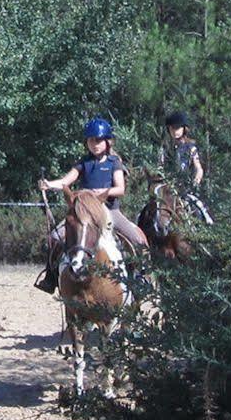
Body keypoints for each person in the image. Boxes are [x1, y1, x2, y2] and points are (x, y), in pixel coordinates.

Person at [33, 117, 148, 291]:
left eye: (99, 140)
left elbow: (120, 189)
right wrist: (49, 184)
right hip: (85, 212)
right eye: (91, 140)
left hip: (109, 210)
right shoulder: (84, 163)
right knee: (55, 239)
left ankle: (142, 278)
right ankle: (50, 278)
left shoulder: (114, 162)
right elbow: (66, 181)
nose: (95, 144)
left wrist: (104, 192)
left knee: (138, 240)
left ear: (107, 142)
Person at [163, 110, 204, 193]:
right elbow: (160, 166)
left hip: (186, 188)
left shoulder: (191, 148)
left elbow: (199, 169)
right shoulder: (166, 148)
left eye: (177, 128)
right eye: (172, 128)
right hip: (168, 189)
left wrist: (195, 183)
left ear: (184, 129)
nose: (174, 131)